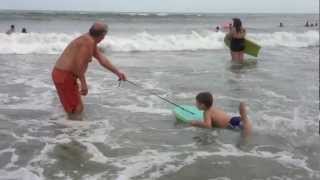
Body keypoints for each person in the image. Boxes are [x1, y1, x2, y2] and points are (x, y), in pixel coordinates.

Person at [52, 22, 127, 120]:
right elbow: (78, 64)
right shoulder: (88, 42)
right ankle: (70, 131)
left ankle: (66, 127)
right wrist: (83, 83)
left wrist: (118, 72)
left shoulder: (90, 40)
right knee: (77, 109)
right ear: (103, 35)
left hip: (63, 75)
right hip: (64, 76)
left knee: (74, 107)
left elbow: (101, 58)